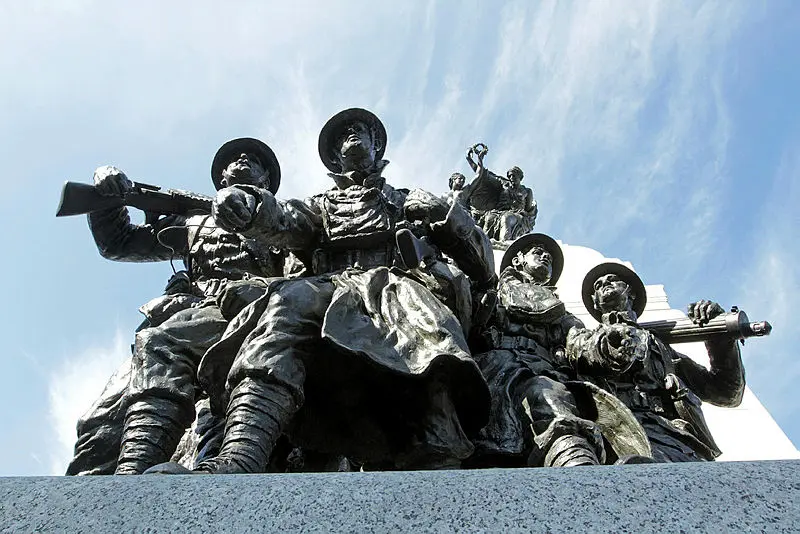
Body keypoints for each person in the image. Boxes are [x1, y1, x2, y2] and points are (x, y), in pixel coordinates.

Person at [180, 108, 496, 474]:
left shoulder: (409, 200)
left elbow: (484, 268)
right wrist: (251, 206)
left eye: (360, 130)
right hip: (329, 287)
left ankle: (439, 466)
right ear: (334, 156)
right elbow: (287, 221)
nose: (352, 135)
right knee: (285, 307)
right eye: (343, 135)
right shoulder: (320, 205)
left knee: (426, 325)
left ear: (377, 146)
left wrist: (447, 213)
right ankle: (241, 456)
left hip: (399, 288)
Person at [77, 138, 289, 474]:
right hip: (189, 317)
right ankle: (121, 482)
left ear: (266, 181)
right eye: (234, 158)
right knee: (103, 422)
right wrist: (108, 196)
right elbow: (118, 242)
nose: (243, 158)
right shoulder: (193, 221)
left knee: (221, 420)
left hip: (262, 315)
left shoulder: (285, 222)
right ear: (222, 178)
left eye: (255, 160)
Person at [566, 262, 746, 462]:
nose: (605, 284)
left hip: (673, 439)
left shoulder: (661, 350)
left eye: (613, 280)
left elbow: (726, 393)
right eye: (598, 285)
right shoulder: (582, 341)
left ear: (631, 292)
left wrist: (720, 337)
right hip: (614, 435)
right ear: (595, 302)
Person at [468, 233, 605, 468]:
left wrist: (606, 345)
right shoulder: (492, 291)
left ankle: (578, 465)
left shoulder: (559, 311)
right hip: (494, 367)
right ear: (518, 260)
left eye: (549, 256)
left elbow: (579, 341)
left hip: (542, 371)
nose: (545, 257)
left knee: (549, 397)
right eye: (538, 252)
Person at [465, 144, 537, 242]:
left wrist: (527, 214)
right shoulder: (503, 184)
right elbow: (483, 175)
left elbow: (529, 211)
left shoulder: (527, 191)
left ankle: (505, 244)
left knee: (507, 218)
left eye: (514, 176)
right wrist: (470, 159)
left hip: (517, 215)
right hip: (498, 212)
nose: (511, 178)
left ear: (520, 177)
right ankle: (485, 244)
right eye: (510, 176)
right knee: (489, 219)